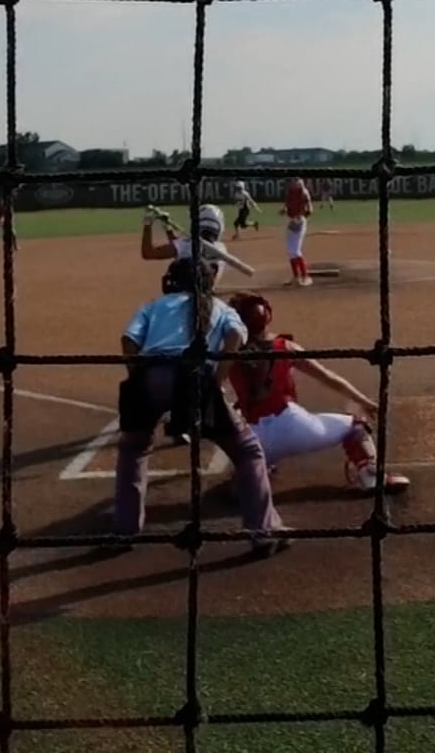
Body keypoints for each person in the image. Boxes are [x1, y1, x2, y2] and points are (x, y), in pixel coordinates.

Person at [114, 257, 288, 556]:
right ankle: (264, 533)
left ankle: (124, 531)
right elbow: (236, 335)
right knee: (247, 451)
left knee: (133, 449)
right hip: (195, 378)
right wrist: (216, 381)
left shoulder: (154, 306)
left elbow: (128, 340)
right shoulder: (220, 307)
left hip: (151, 375)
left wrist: (139, 377)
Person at [226, 291, 410, 494]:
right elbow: (328, 378)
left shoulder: (226, 353)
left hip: (253, 439)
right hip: (294, 426)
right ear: (267, 317)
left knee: (243, 459)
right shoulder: (285, 347)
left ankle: (251, 477)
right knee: (356, 426)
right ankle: (370, 476)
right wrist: (365, 402)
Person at [140, 203, 253, 290]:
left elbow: (148, 253)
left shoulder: (187, 245)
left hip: (184, 297)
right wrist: (168, 228)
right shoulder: (220, 247)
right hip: (208, 299)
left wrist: (147, 223)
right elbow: (180, 248)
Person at [283, 177, 313, 287]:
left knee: (295, 251)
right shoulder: (290, 193)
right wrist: (284, 210)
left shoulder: (303, 193)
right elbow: (287, 206)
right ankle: (296, 277)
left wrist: (301, 217)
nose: (293, 184)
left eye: (296, 183)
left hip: (299, 222)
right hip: (291, 221)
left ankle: (305, 277)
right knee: (290, 250)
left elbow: (310, 208)